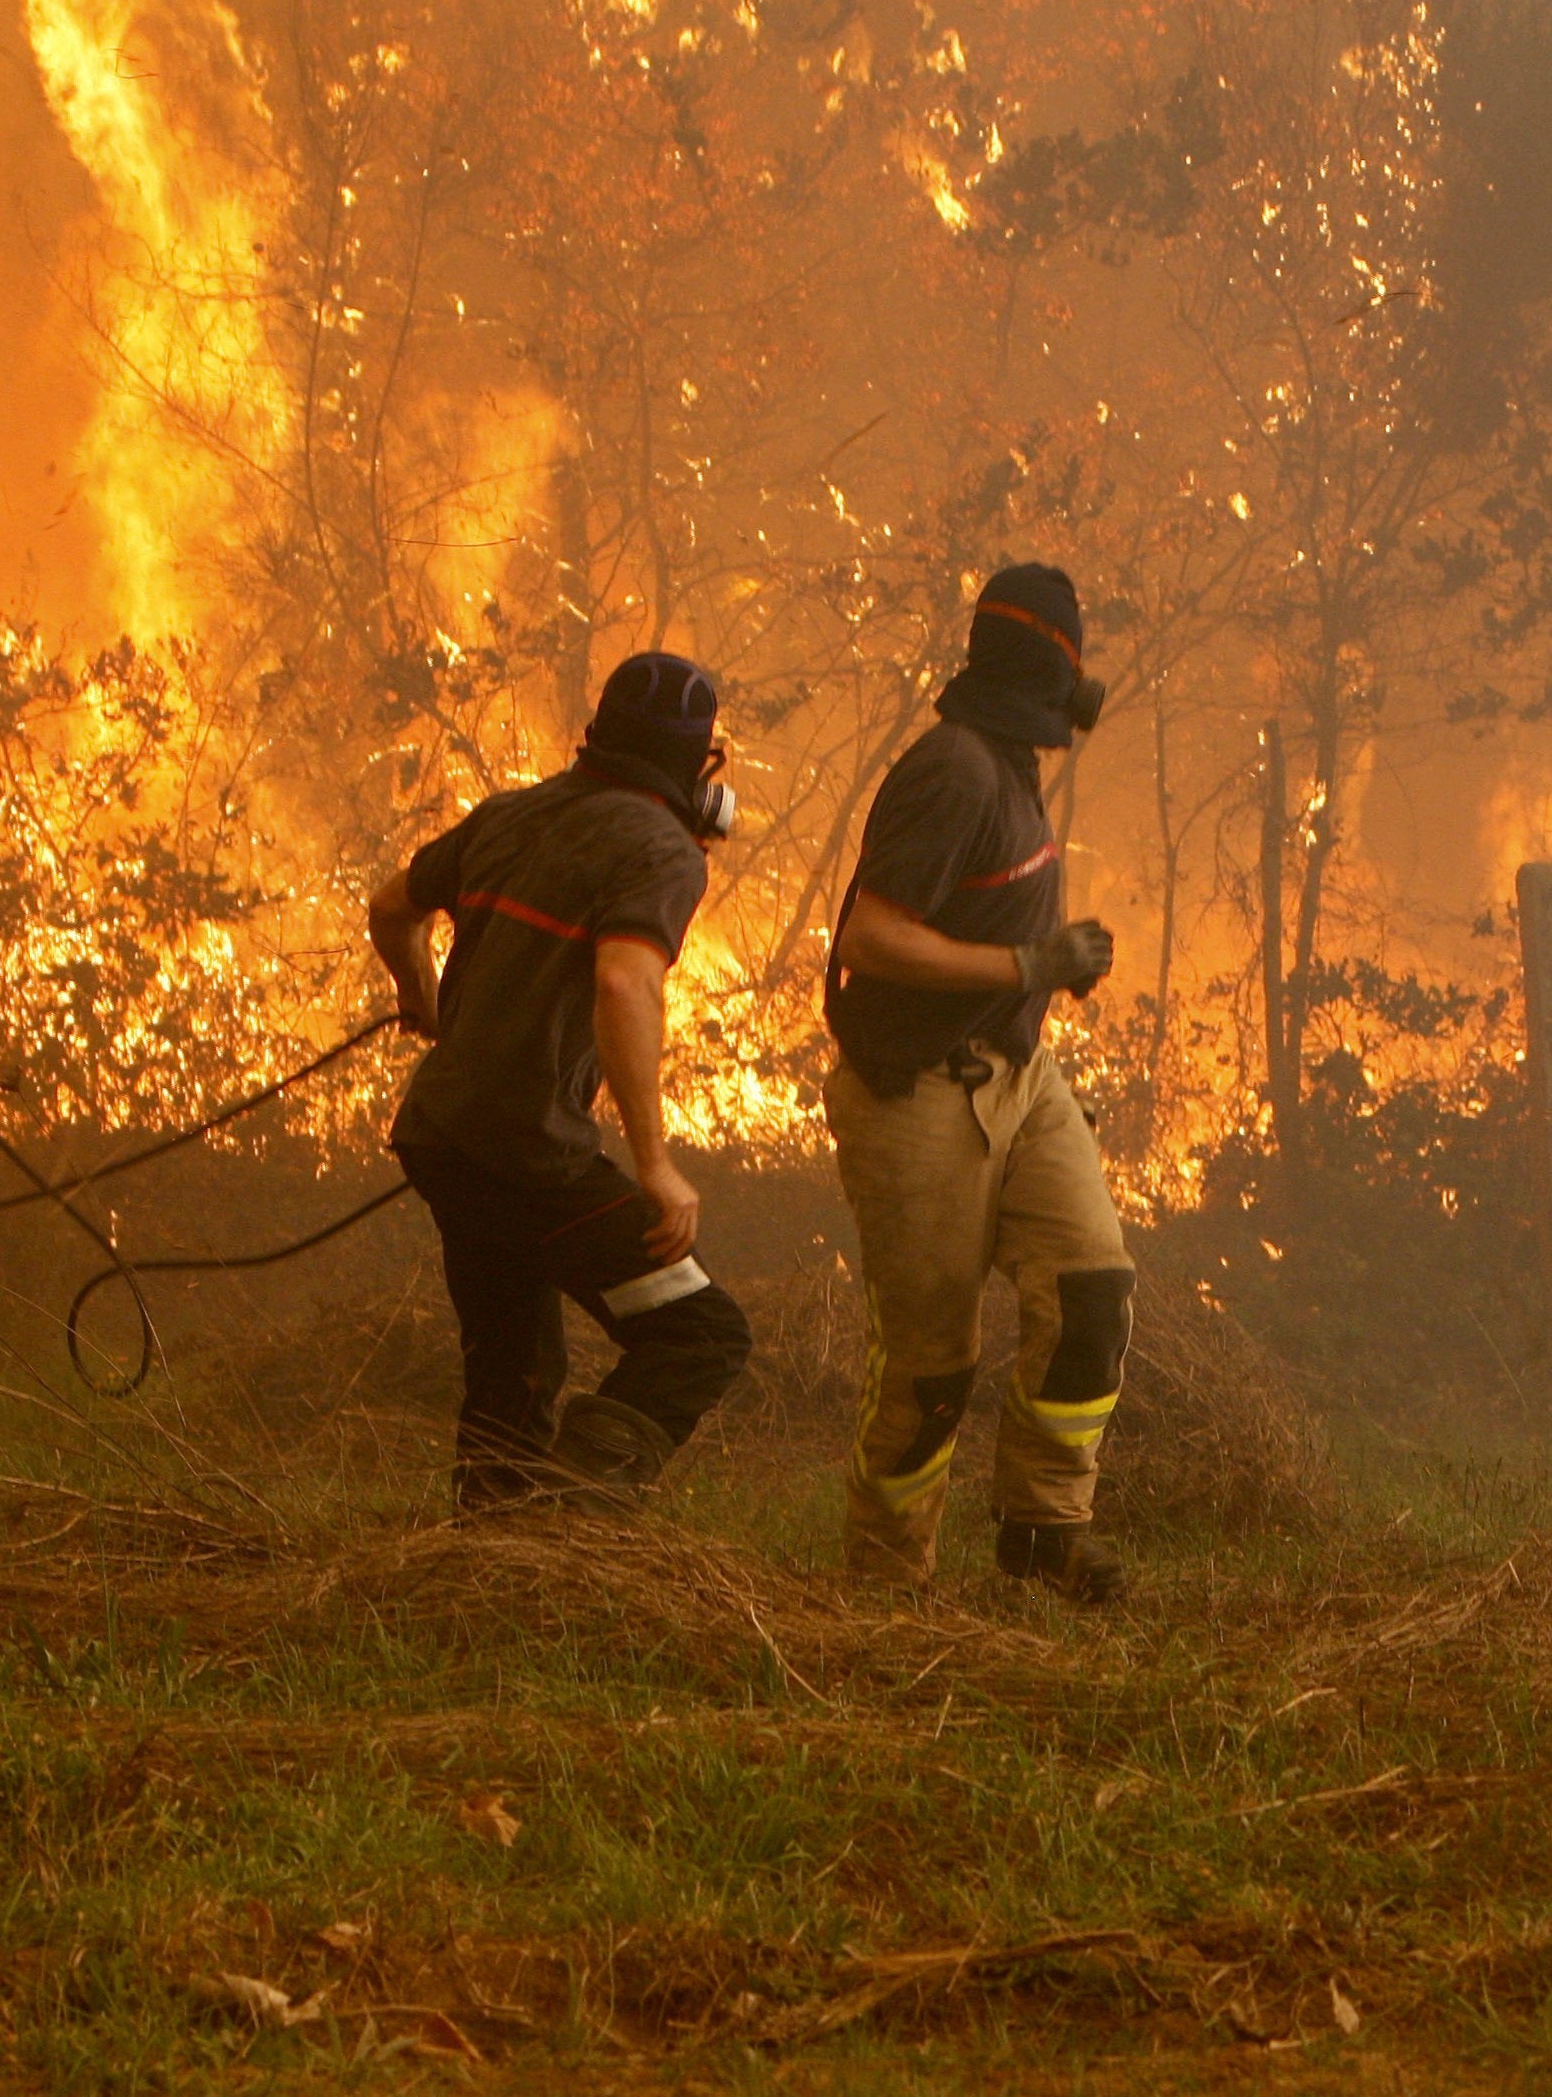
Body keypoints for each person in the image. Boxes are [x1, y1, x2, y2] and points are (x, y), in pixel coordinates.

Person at [368, 652, 757, 1510]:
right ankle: (567, 1525)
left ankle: (494, 1556)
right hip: (530, 1155)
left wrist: (421, 996)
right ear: (697, 764)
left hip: (442, 1139)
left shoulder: (509, 814)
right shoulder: (663, 851)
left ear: (600, 734)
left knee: (511, 1370)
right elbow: (625, 982)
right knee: (700, 1335)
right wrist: (654, 1167)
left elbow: (391, 907)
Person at [821, 563, 1136, 1603]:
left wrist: (1043, 965)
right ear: (1058, 671)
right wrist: (1028, 968)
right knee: (931, 1365)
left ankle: (1046, 1529)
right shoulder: (954, 770)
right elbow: (872, 938)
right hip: (917, 1091)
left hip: (1019, 1078)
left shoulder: (1004, 761)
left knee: (1091, 1288)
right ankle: (885, 1581)